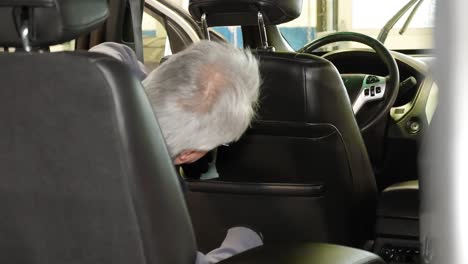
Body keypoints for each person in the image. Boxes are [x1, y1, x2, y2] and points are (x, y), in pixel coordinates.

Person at [90, 41, 262, 264]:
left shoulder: (80, 96)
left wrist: (144, 94)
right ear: (187, 155)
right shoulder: (155, 210)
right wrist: (246, 239)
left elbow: (112, 53)